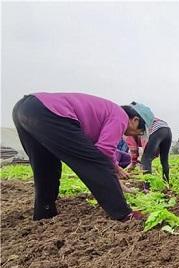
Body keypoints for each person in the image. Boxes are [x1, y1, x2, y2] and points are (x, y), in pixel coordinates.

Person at [12, 93, 154, 221]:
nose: (135, 135)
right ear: (135, 120)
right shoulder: (121, 116)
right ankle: (124, 214)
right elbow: (102, 153)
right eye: (140, 132)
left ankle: (44, 213)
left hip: (26, 108)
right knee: (95, 163)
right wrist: (113, 181)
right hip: (50, 112)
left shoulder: (108, 111)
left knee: (45, 165)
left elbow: (101, 149)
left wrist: (115, 167)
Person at [126, 116, 172, 182]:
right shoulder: (139, 121)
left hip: (155, 129)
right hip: (166, 129)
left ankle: (147, 187)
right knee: (164, 160)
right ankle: (166, 182)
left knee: (145, 159)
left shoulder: (127, 129)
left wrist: (133, 163)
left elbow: (133, 148)